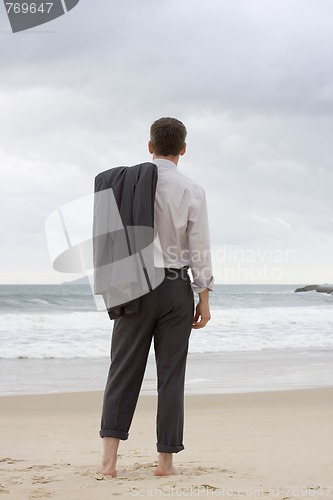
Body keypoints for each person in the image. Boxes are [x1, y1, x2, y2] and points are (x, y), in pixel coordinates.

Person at [98, 117, 214, 477]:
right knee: (171, 375)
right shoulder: (191, 189)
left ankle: (108, 463)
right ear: (183, 148)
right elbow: (200, 249)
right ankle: (165, 463)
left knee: (123, 371)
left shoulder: (125, 184)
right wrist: (204, 297)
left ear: (150, 146)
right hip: (176, 288)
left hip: (133, 283)